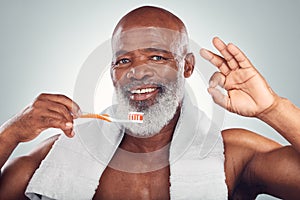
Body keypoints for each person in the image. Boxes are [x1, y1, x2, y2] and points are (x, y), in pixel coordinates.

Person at [0, 5, 300, 200]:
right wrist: (11, 132)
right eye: (123, 60)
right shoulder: (61, 154)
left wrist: (273, 109)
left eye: (157, 56)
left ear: (187, 66)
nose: (136, 70)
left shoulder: (234, 155)